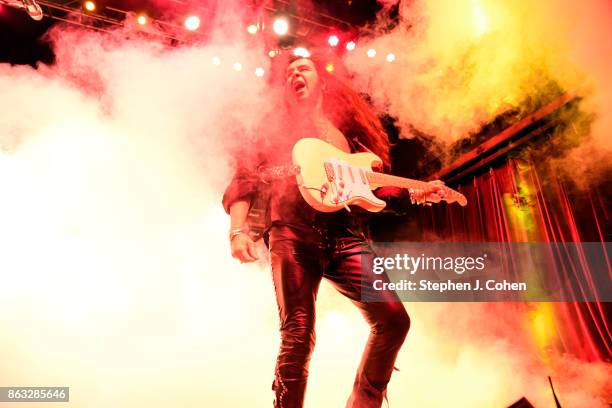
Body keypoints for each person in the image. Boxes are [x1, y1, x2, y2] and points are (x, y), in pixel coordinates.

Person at [222, 49, 443, 408]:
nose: (295, 74)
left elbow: (376, 187)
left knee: (394, 320)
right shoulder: (273, 131)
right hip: (293, 232)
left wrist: (416, 190)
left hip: (345, 237)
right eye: (288, 72)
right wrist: (238, 231)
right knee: (298, 334)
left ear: (320, 80)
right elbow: (245, 178)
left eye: (303, 67)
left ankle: (364, 401)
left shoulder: (350, 138)